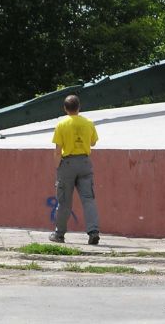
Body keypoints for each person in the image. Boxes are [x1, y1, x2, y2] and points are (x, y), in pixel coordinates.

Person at [49, 94, 100, 245]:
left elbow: (58, 151)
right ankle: (93, 232)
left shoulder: (61, 124)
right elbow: (93, 143)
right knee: (88, 199)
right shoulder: (88, 123)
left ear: (65, 108)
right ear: (79, 107)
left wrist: (57, 166)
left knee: (64, 201)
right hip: (84, 162)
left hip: (67, 164)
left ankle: (59, 235)